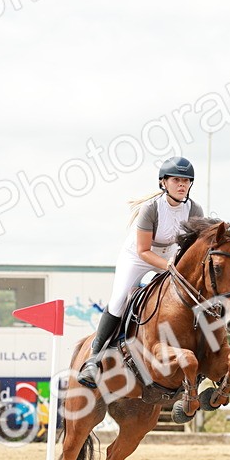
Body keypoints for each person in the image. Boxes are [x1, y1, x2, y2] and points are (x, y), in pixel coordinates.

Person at [77, 156, 204, 387]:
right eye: (176, 180)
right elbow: (144, 250)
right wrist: (169, 267)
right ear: (163, 183)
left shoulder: (194, 209)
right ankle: (93, 359)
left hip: (171, 256)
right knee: (118, 300)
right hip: (138, 256)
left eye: (186, 180)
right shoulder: (151, 209)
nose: (182, 184)